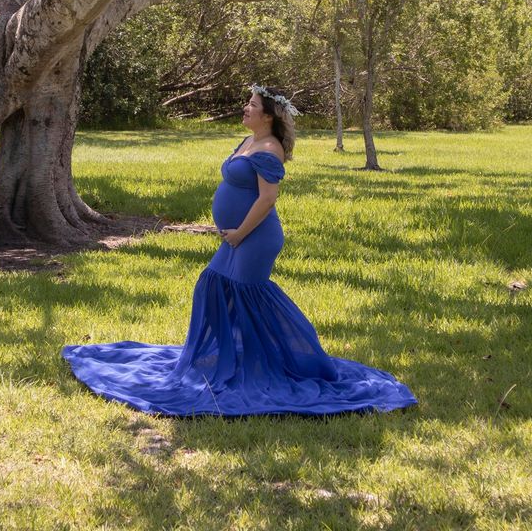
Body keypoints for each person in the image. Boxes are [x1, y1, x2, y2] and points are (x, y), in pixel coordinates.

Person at [62, 84, 417, 417]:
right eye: (247, 103)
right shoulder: (249, 139)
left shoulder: (269, 150)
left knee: (249, 298)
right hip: (237, 236)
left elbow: (267, 199)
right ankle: (228, 358)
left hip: (256, 238)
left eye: (253, 105)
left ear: (269, 117)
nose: (245, 108)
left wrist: (239, 234)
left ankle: (288, 364)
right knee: (213, 285)